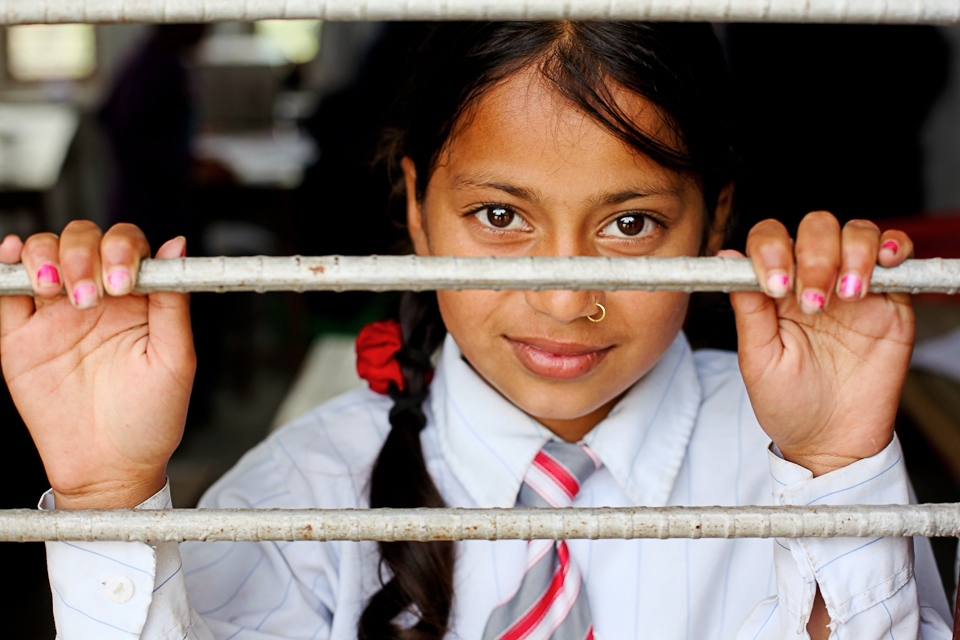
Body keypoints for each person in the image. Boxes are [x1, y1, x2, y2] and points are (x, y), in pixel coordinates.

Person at [0, 22, 951, 640]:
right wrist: (111, 502)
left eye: (631, 225)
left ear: (715, 221)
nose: (563, 298)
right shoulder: (300, 500)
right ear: (415, 207)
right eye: (500, 216)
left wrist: (836, 475)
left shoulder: (804, 467)